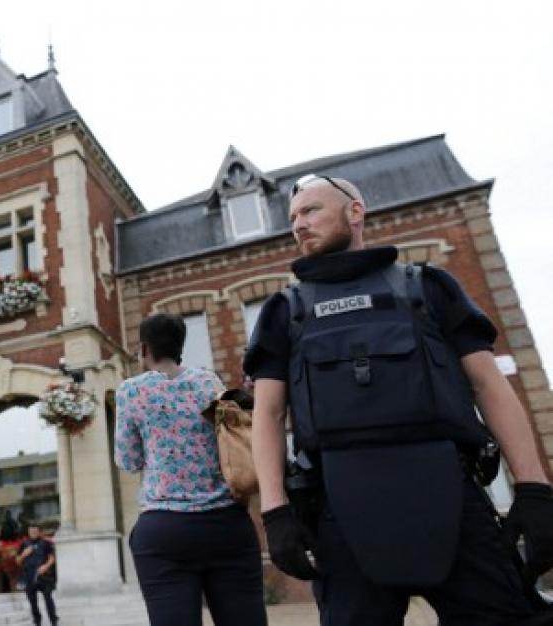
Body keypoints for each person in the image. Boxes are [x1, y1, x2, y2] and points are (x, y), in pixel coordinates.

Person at [245, 175, 553, 626]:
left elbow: (490, 385)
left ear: (355, 211)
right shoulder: (283, 312)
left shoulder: (427, 288)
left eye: (311, 210)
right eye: (293, 217)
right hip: (339, 509)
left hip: (451, 498)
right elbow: (268, 414)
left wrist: (533, 490)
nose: (298, 224)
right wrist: (276, 514)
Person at [114, 313, 267, 626]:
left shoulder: (131, 391)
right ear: (180, 345)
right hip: (226, 523)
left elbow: (128, 461)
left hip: (165, 529)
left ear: (144, 348)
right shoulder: (208, 382)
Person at [15, 523, 58, 626]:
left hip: (43, 576)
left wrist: (45, 566)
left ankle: (53, 620)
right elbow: (17, 561)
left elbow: (52, 558)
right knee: (32, 602)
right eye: (31, 531)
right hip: (29, 576)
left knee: (48, 599)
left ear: (39, 532)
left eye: (35, 531)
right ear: (28, 532)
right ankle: (37, 621)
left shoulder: (46, 543)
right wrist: (24, 554)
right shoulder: (24, 544)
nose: (33, 533)